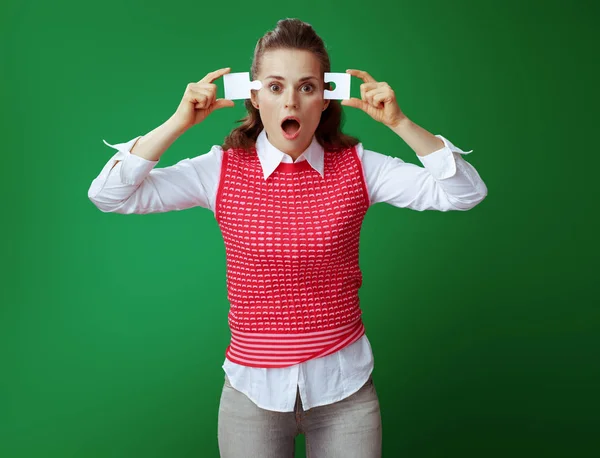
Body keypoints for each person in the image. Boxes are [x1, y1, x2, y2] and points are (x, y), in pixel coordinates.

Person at [88, 18, 487, 458]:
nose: (291, 101)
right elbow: (109, 196)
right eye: (275, 87)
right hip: (251, 395)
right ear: (254, 97)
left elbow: (465, 193)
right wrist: (178, 123)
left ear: (325, 97)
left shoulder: (360, 168)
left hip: (345, 392)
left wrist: (400, 123)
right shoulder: (219, 170)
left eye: (307, 87)